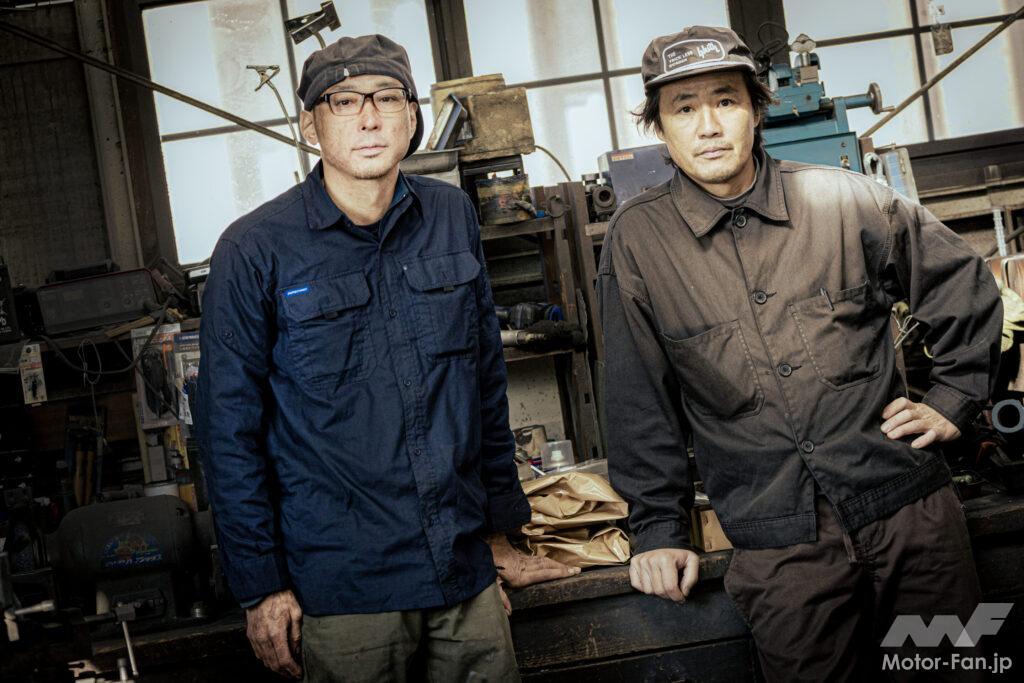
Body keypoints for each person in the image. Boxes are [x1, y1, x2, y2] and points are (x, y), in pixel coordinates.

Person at [598, 25, 1002, 681]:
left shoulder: (846, 200)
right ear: (660, 126)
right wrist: (659, 529)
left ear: (756, 109)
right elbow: (637, 396)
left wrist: (954, 398)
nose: (708, 126)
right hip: (780, 547)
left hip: (910, 519)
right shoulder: (639, 241)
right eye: (684, 107)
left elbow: (962, 283)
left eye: (725, 101)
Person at [197, 34, 576, 683]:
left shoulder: (450, 216)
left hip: (463, 574)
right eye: (344, 101)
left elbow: (483, 386)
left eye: (386, 98)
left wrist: (500, 533)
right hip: (345, 590)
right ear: (310, 126)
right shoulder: (254, 250)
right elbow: (226, 432)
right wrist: (261, 585)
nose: (369, 118)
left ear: (411, 115)